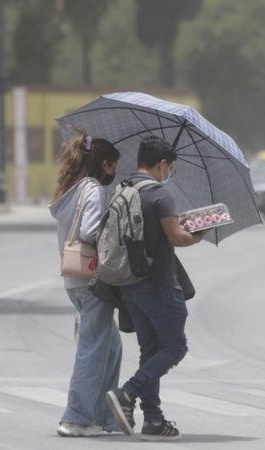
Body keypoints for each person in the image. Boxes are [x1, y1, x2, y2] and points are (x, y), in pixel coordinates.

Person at [105, 136, 208, 441]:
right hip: (160, 284)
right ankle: (128, 393)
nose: (169, 172)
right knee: (175, 347)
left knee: (150, 351)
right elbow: (177, 237)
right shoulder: (160, 194)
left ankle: (153, 420)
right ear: (162, 164)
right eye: (169, 167)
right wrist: (199, 233)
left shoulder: (124, 188)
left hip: (130, 284)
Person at [49, 134, 121, 437]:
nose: (115, 172)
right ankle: (76, 418)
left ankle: (104, 416)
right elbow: (90, 231)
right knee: (93, 348)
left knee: (111, 347)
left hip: (74, 280)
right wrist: (115, 223)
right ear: (104, 165)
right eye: (113, 166)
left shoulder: (72, 188)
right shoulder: (92, 191)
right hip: (91, 280)